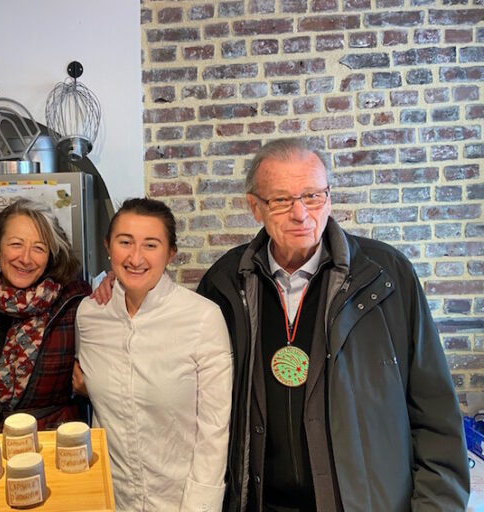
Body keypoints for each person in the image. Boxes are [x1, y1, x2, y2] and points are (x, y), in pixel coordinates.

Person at [196, 137, 469, 511]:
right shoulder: (225, 284)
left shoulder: (386, 277)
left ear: (329, 197)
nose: (300, 213)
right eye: (281, 200)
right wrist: (124, 291)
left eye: (313, 196)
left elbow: (435, 413)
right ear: (254, 207)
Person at [75, 197, 233, 511]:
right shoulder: (90, 313)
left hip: (179, 500)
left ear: (170, 253)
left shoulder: (202, 317)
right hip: (110, 498)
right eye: (125, 242)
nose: (136, 257)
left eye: (151, 244)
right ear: (108, 247)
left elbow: (214, 431)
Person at [0, 198, 91, 431]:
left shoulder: (75, 304)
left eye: (39, 248)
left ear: (51, 256)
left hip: (52, 446)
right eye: (16, 244)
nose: (25, 258)